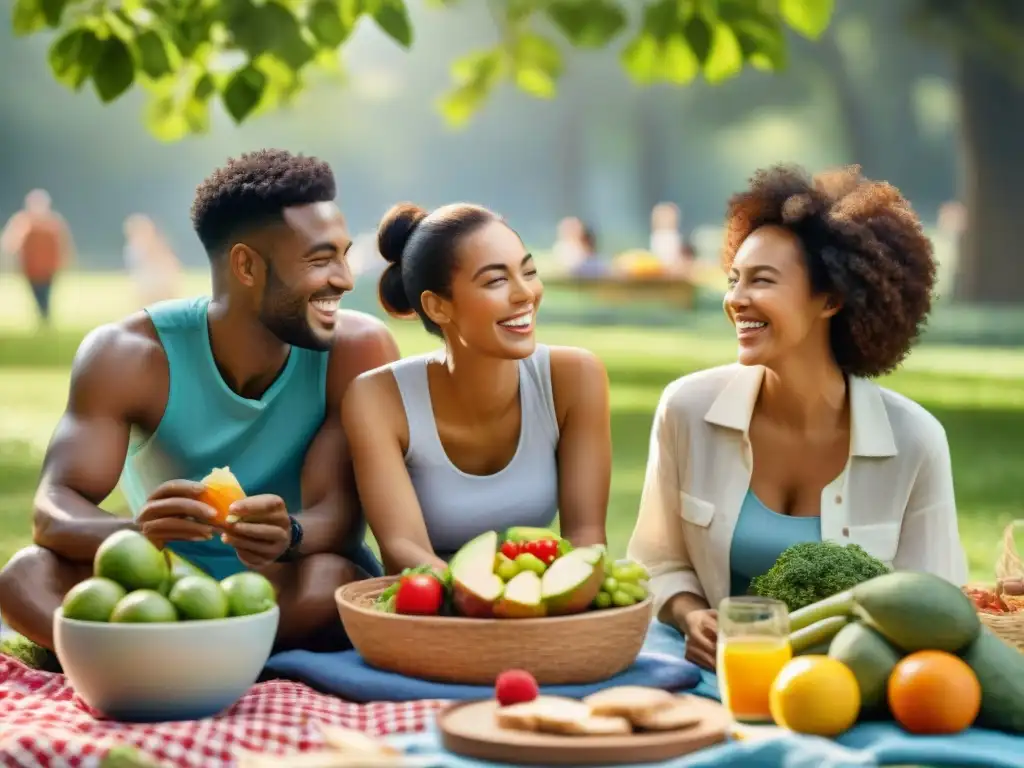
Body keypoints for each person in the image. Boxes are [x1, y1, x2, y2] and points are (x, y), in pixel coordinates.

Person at [0, 150, 399, 652]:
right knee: (24, 576)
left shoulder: (358, 348)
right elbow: (53, 507)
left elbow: (339, 514)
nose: (344, 278)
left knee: (333, 580)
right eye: (321, 260)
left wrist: (291, 532)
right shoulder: (129, 354)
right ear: (247, 266)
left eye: (343, 255)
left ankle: (148, 655)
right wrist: (135, 531)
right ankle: (210, 651)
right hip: (161, 577)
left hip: (284, 580)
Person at [627, 164, 967, 671]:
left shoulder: (914, 441)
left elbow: (935, 604)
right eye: (734, 279)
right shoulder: (687, 410)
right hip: (705, 677)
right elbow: (656, 561)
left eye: (761, 281)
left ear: (830, 299)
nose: (736, 299)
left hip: (851, 691)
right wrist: (691, 615)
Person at [341, 202, 611, 574]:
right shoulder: (377, 399)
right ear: (437, 307)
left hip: (539, 607)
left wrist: (542, 603)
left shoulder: (576, 377)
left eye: (528, 271)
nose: (525, 294)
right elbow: (402, 549)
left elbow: (586, 536)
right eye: (496, 280)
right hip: (430, 614)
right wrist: (488, 605)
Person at [0, 189, 75, 326]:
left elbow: (63, 245)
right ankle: (43, 317)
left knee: (45, 295)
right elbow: (11, 244)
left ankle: (45, 318)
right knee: (37, 295)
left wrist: (63, 262)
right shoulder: (23, 223)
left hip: (48, 269)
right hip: (31, 269)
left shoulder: (53, 224)